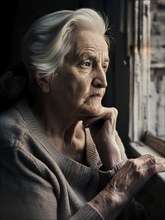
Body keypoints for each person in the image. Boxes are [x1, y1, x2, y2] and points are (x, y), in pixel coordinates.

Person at [0, 8, 164, 220]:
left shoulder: (103, 130)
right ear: (44, 77)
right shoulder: (15, 146)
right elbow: (118, 196)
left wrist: (112, 161)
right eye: (86, 63)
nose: (102, 81)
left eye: (104, 66)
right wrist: (116, 191)